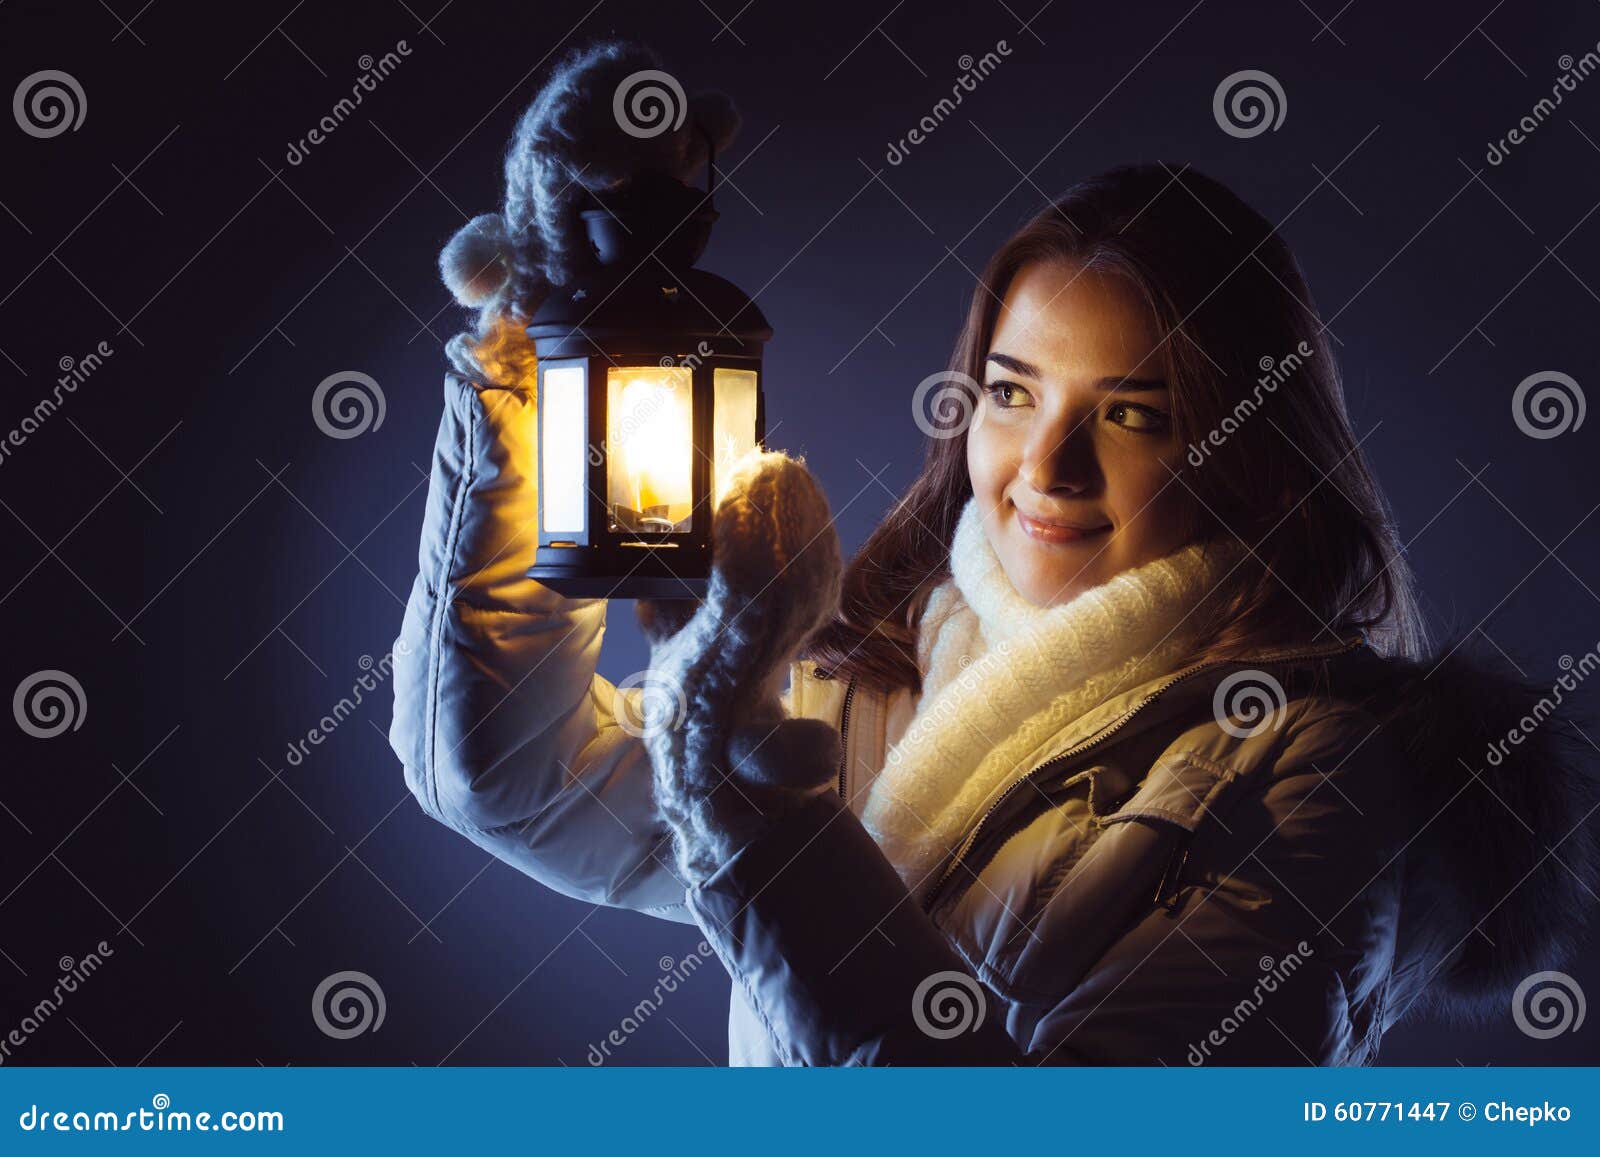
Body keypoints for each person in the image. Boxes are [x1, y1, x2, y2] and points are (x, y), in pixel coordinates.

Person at [391, 155, 1600, 1065]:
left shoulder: (1311, 770)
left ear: (1255, 452)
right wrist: (517, 388)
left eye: (1133, 412)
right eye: (1013, 393)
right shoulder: (869, 669)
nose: (1046, 465)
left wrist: (753, 821)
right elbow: (507, 775)